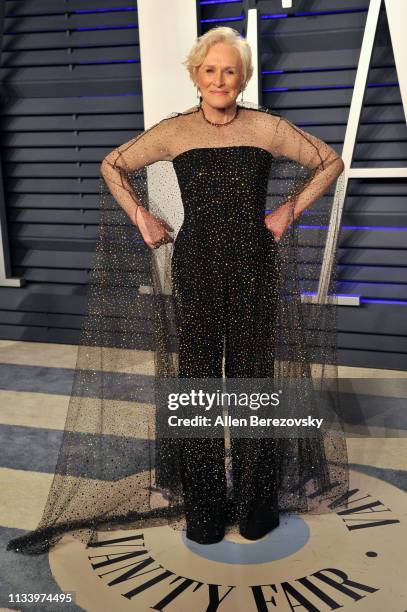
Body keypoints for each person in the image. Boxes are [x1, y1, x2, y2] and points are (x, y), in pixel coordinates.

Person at [7, 26, 349, 555]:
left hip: (255, 266)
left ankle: (257, 507)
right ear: (196, 75)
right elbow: (113, 165)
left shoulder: (266, 128)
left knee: (253, 382)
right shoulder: (175, 132)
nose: (219, 79)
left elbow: (330, 161)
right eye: (209, 70)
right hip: (196, 266)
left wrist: (287, 211)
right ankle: (207, 508)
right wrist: (142, 218)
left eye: (229, 70)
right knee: (200, 385)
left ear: (242, 77)